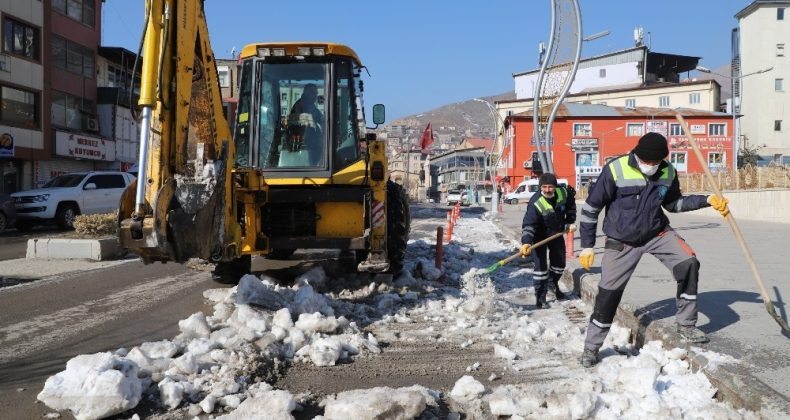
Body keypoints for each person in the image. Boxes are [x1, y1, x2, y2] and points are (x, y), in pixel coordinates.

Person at [577, 132, 730, 368]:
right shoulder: (616, 169)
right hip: (622, 240)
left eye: (654, 163)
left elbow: (673, 204)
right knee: (608, 293)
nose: (649, 166)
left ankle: (686, 324)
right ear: (637, 154)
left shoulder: (668, 171)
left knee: (688, 262)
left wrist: (706, 200)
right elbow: (591, 208)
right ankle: (591, 348)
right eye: (645, 161)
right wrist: (587, 245)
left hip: (656, 233)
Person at [519, 173, 577, 309]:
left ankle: (552, 282)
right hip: (538, 236)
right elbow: (529, 224)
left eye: (550, 187)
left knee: (560, 263)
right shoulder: (536, 202)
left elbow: (570, 205)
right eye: (544, 187)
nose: (547, 190)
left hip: (556, 233)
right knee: (540, 268)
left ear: (555, 187)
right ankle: (540, 297)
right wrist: (526, 242)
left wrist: (570, 221)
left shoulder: (563, 193)